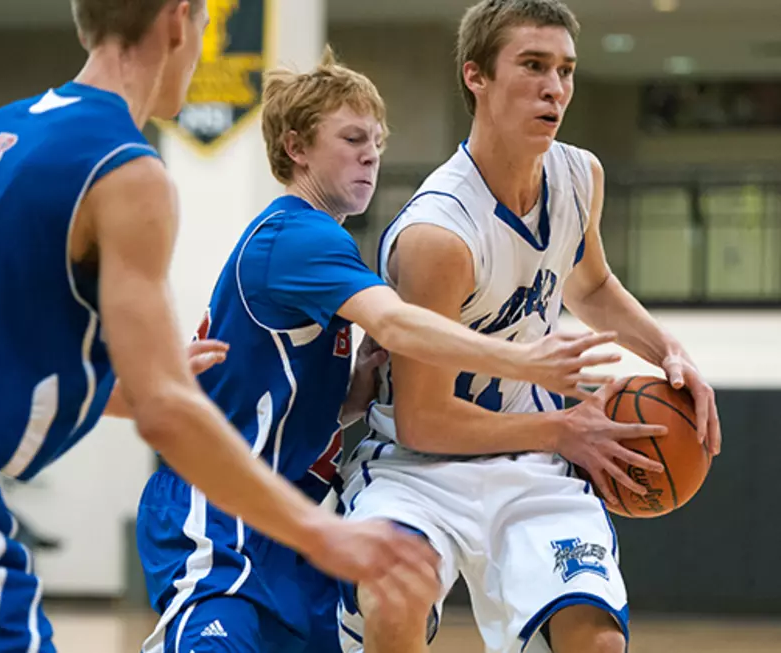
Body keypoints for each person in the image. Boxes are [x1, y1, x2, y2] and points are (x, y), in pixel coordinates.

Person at [0, 2, 438, 651]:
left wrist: (129, 380)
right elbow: (166, 417)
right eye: (204, 29)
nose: (199, 50)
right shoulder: (125, 167)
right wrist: (323, 532)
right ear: (176, 19)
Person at [120, 47, 623, 653]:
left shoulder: (322, 244)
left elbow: (281, 401)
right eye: (353, 138)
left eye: (378, 141)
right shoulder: (295, 237)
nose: (372, 154)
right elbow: (401, 324)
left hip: (295, 514)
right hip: (221, 508)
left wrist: (353, 393)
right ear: (296, 148)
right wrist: (522, 360)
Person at [336, 2, 722, 652]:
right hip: (419, 470)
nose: (556, 88)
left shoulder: (580, 176)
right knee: (394, 605)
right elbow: (424, 419)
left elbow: (591, 284)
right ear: (476, 77)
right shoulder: (441, 233)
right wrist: (564, 427)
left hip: (533, 466)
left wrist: (670, 351)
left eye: (566, 70)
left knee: (597, 643)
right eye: (534, 66)